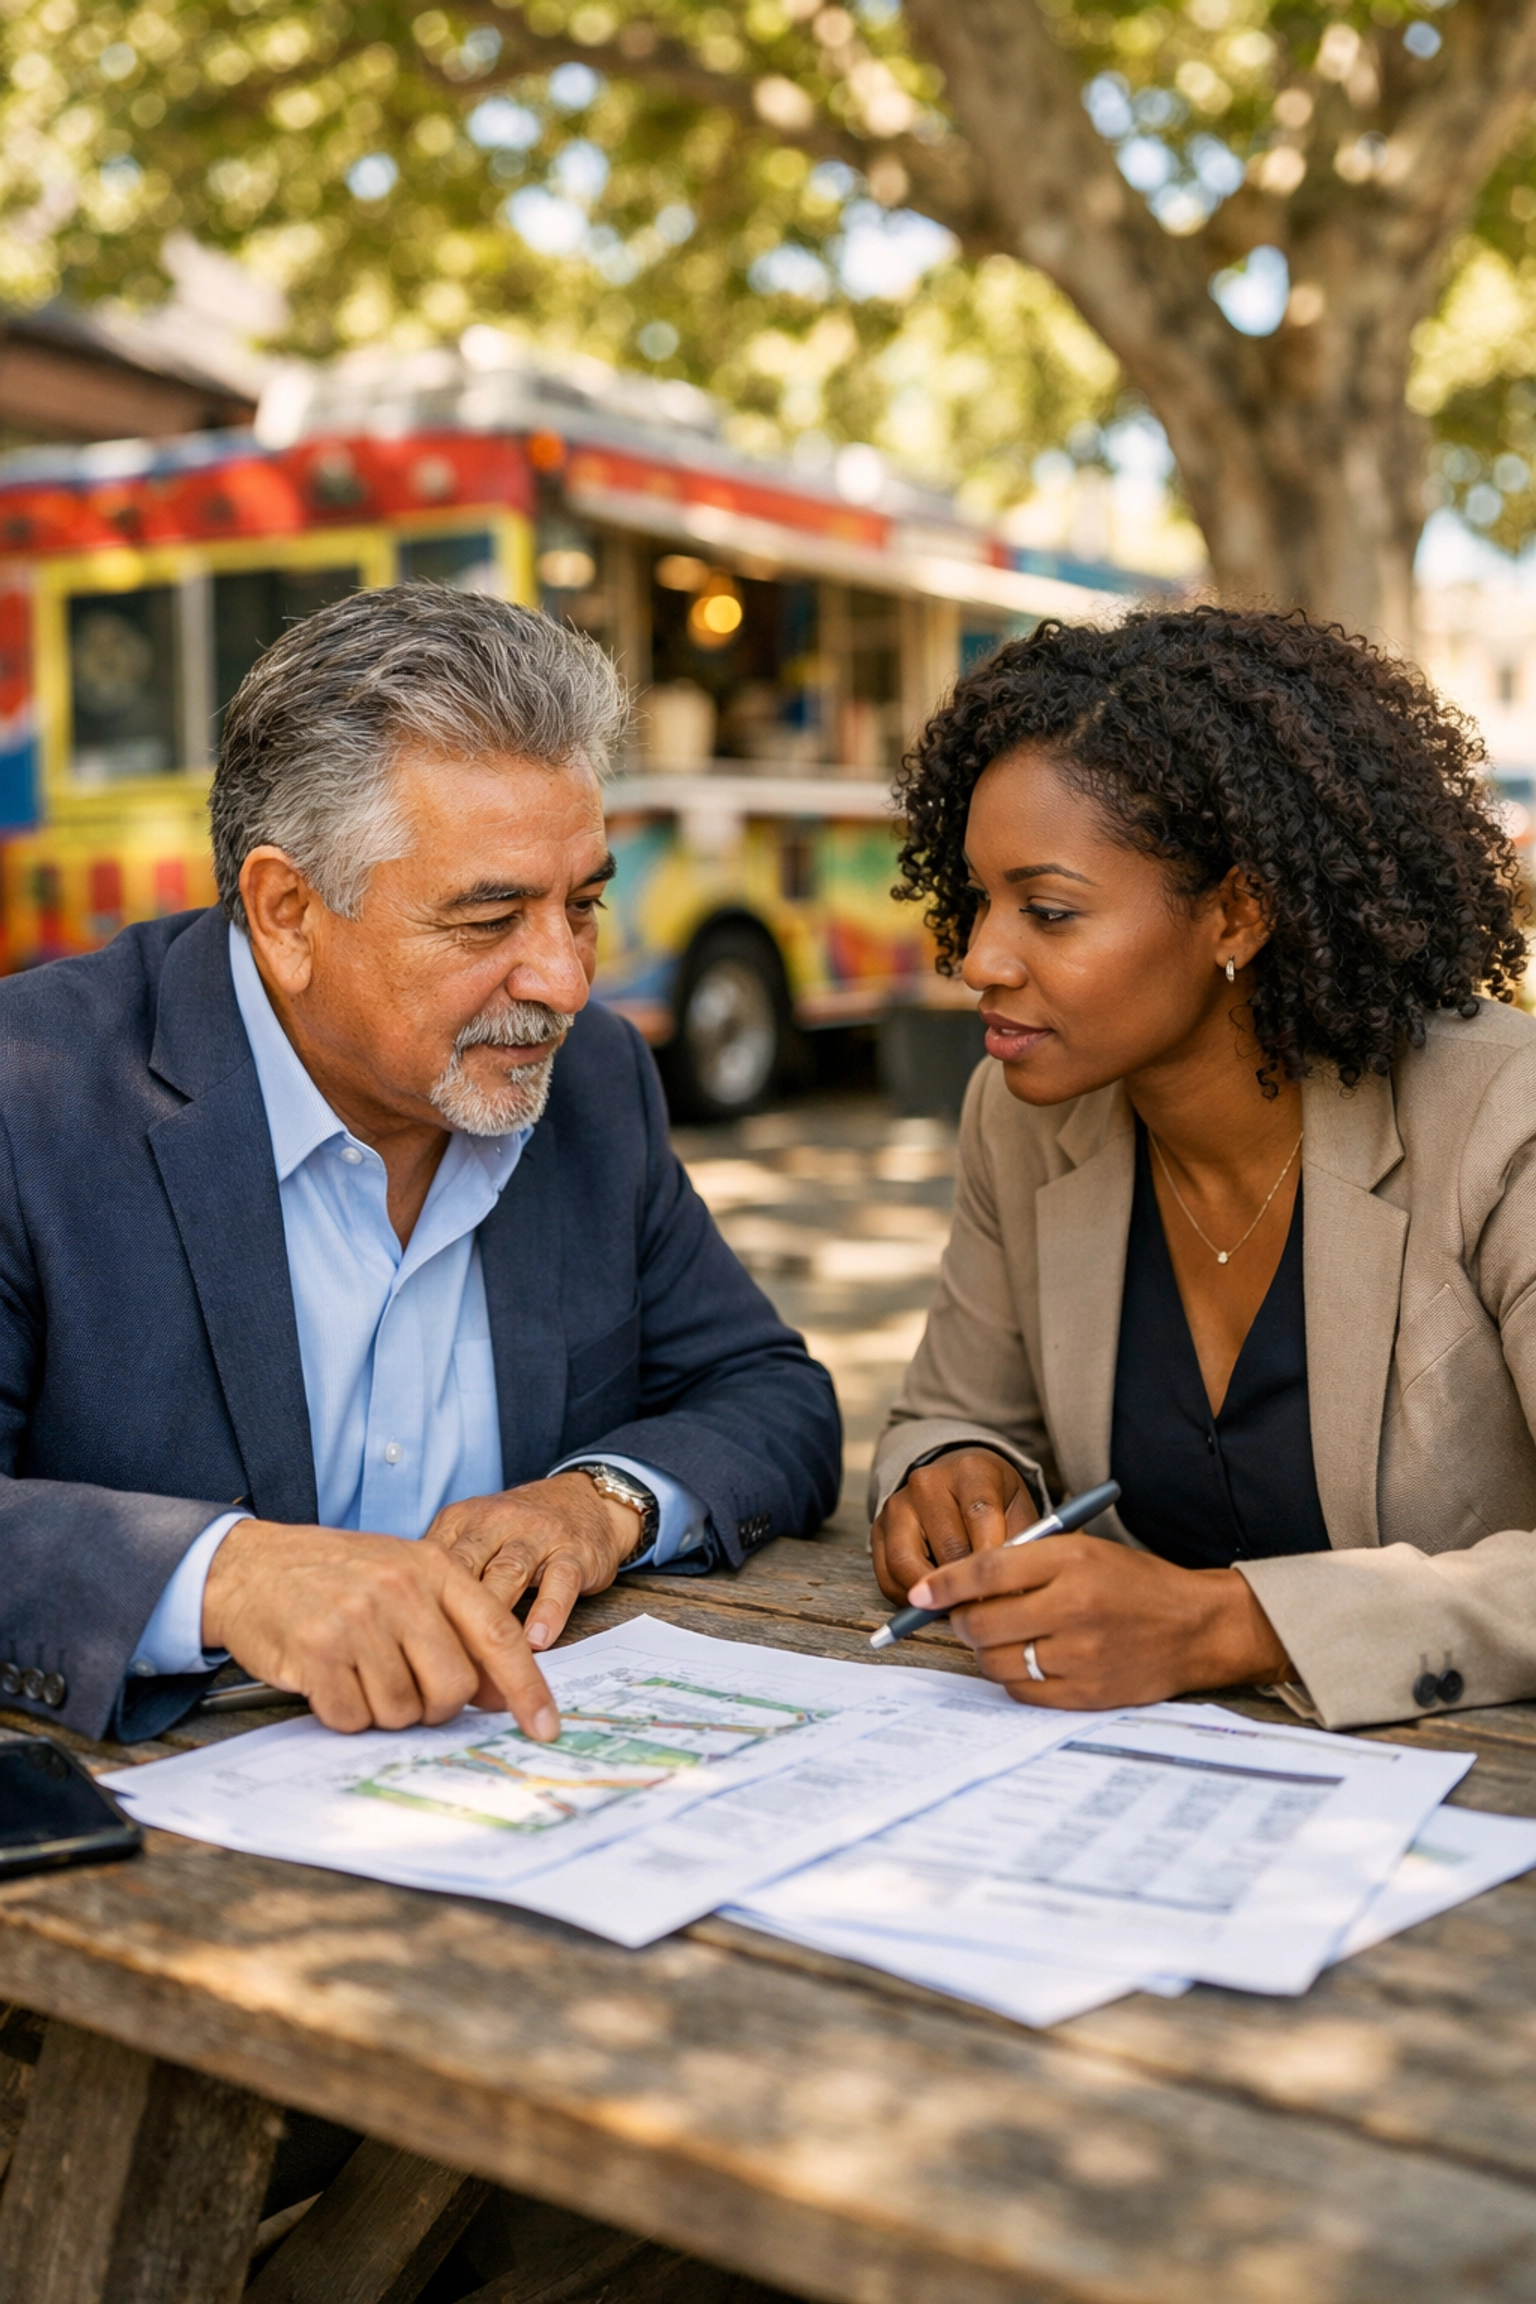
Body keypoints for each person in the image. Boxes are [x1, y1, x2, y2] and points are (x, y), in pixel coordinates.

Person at [0, 586, 840, 1744]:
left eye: (584, 905)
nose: (564, 981)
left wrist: (600, 1502)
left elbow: (772, 1396)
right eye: (490, 920)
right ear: (288, 911)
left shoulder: (592, 1078)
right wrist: (230, 1578)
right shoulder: (32, 1093)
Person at [870, 604, 1536, 1730]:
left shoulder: (1499, 1122)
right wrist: (952, 1468)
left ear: (1236, 913)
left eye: (1048, 910)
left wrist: (1224, 1624)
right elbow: (948, 1409)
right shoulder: (1024, 1115)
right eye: (978, 899)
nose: (978, 958)